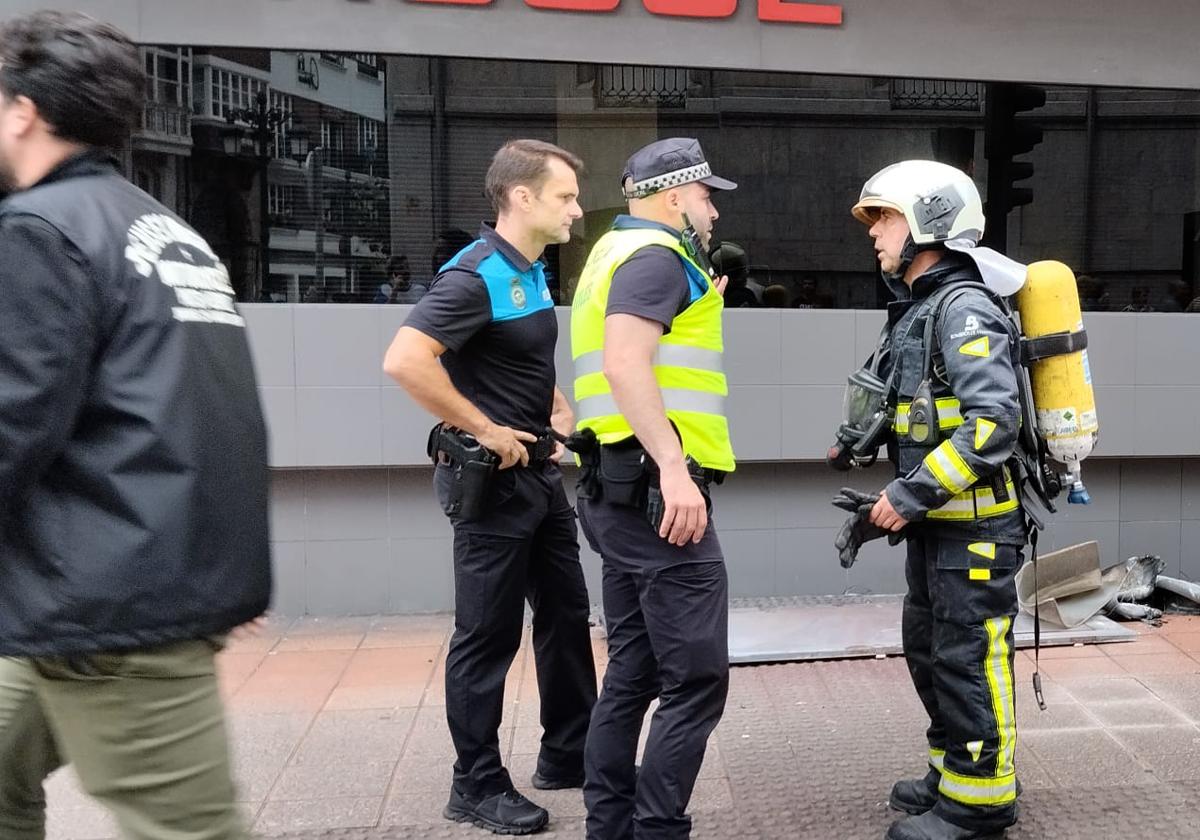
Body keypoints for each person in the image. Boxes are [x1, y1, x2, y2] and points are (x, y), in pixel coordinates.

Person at [0, 11, 271, 840]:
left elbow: (11, 425)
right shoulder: (163, 231)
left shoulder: (42, 231)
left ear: (22, 111)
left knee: (191, 831)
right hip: (94, 590)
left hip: (106, 610)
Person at [383, 139, 597, 836]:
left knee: (566, 615)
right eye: (565, 196)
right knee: (487, 636)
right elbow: (405, 360)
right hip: (492, 487)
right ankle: (473, 784)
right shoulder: (472, 276)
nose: (576, 210)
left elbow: (517, 354)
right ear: (522, 198)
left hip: (537, 479)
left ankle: (569, 753)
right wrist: (485, 427)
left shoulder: (528, 271)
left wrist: (555, 408)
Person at [841, 160, 1025, 840]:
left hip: (974, 532)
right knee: (930, 650)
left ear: (930, 222)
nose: (875, 234)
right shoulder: (924, 308)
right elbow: (920, 417)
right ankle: (951, 775)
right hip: (941, 529)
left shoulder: (964, 308)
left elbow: (991, 424)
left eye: (883, 217)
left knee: (970, 657)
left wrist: (911, 493)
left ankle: (981, 804)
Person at [571, 137, 736, 840]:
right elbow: (623, 361)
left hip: (616, 494)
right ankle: (655, 830)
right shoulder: (654, 259)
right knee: (696, 683)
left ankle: (608, 826)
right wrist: (673, 467)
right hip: (656, 500)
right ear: (674, 197)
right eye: (706, 198)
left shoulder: (613, 255)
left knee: (634, 671)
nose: (713, 213)